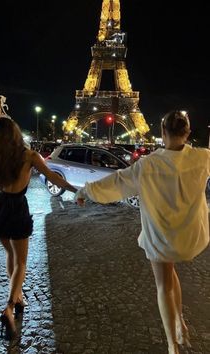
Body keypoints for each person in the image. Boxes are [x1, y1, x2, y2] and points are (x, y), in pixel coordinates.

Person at [75, 110, 210, 354]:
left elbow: (116, 183)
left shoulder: (147, 165)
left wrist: (85, 191)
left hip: (160, 238)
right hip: (190, 237)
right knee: (171, 275)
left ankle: (172, 345)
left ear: (162, 132)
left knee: (163, 286)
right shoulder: (203, 158)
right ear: (188, 133)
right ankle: (179, 322)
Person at [0, 117, 77, 340]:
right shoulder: (29, 156)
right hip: (18, 208)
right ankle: (10, 306)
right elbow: (52, 178)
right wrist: (74, 190)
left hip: (0, 208)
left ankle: (18, 296)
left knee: (10, 254)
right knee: (21, 261)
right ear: (16, 133)